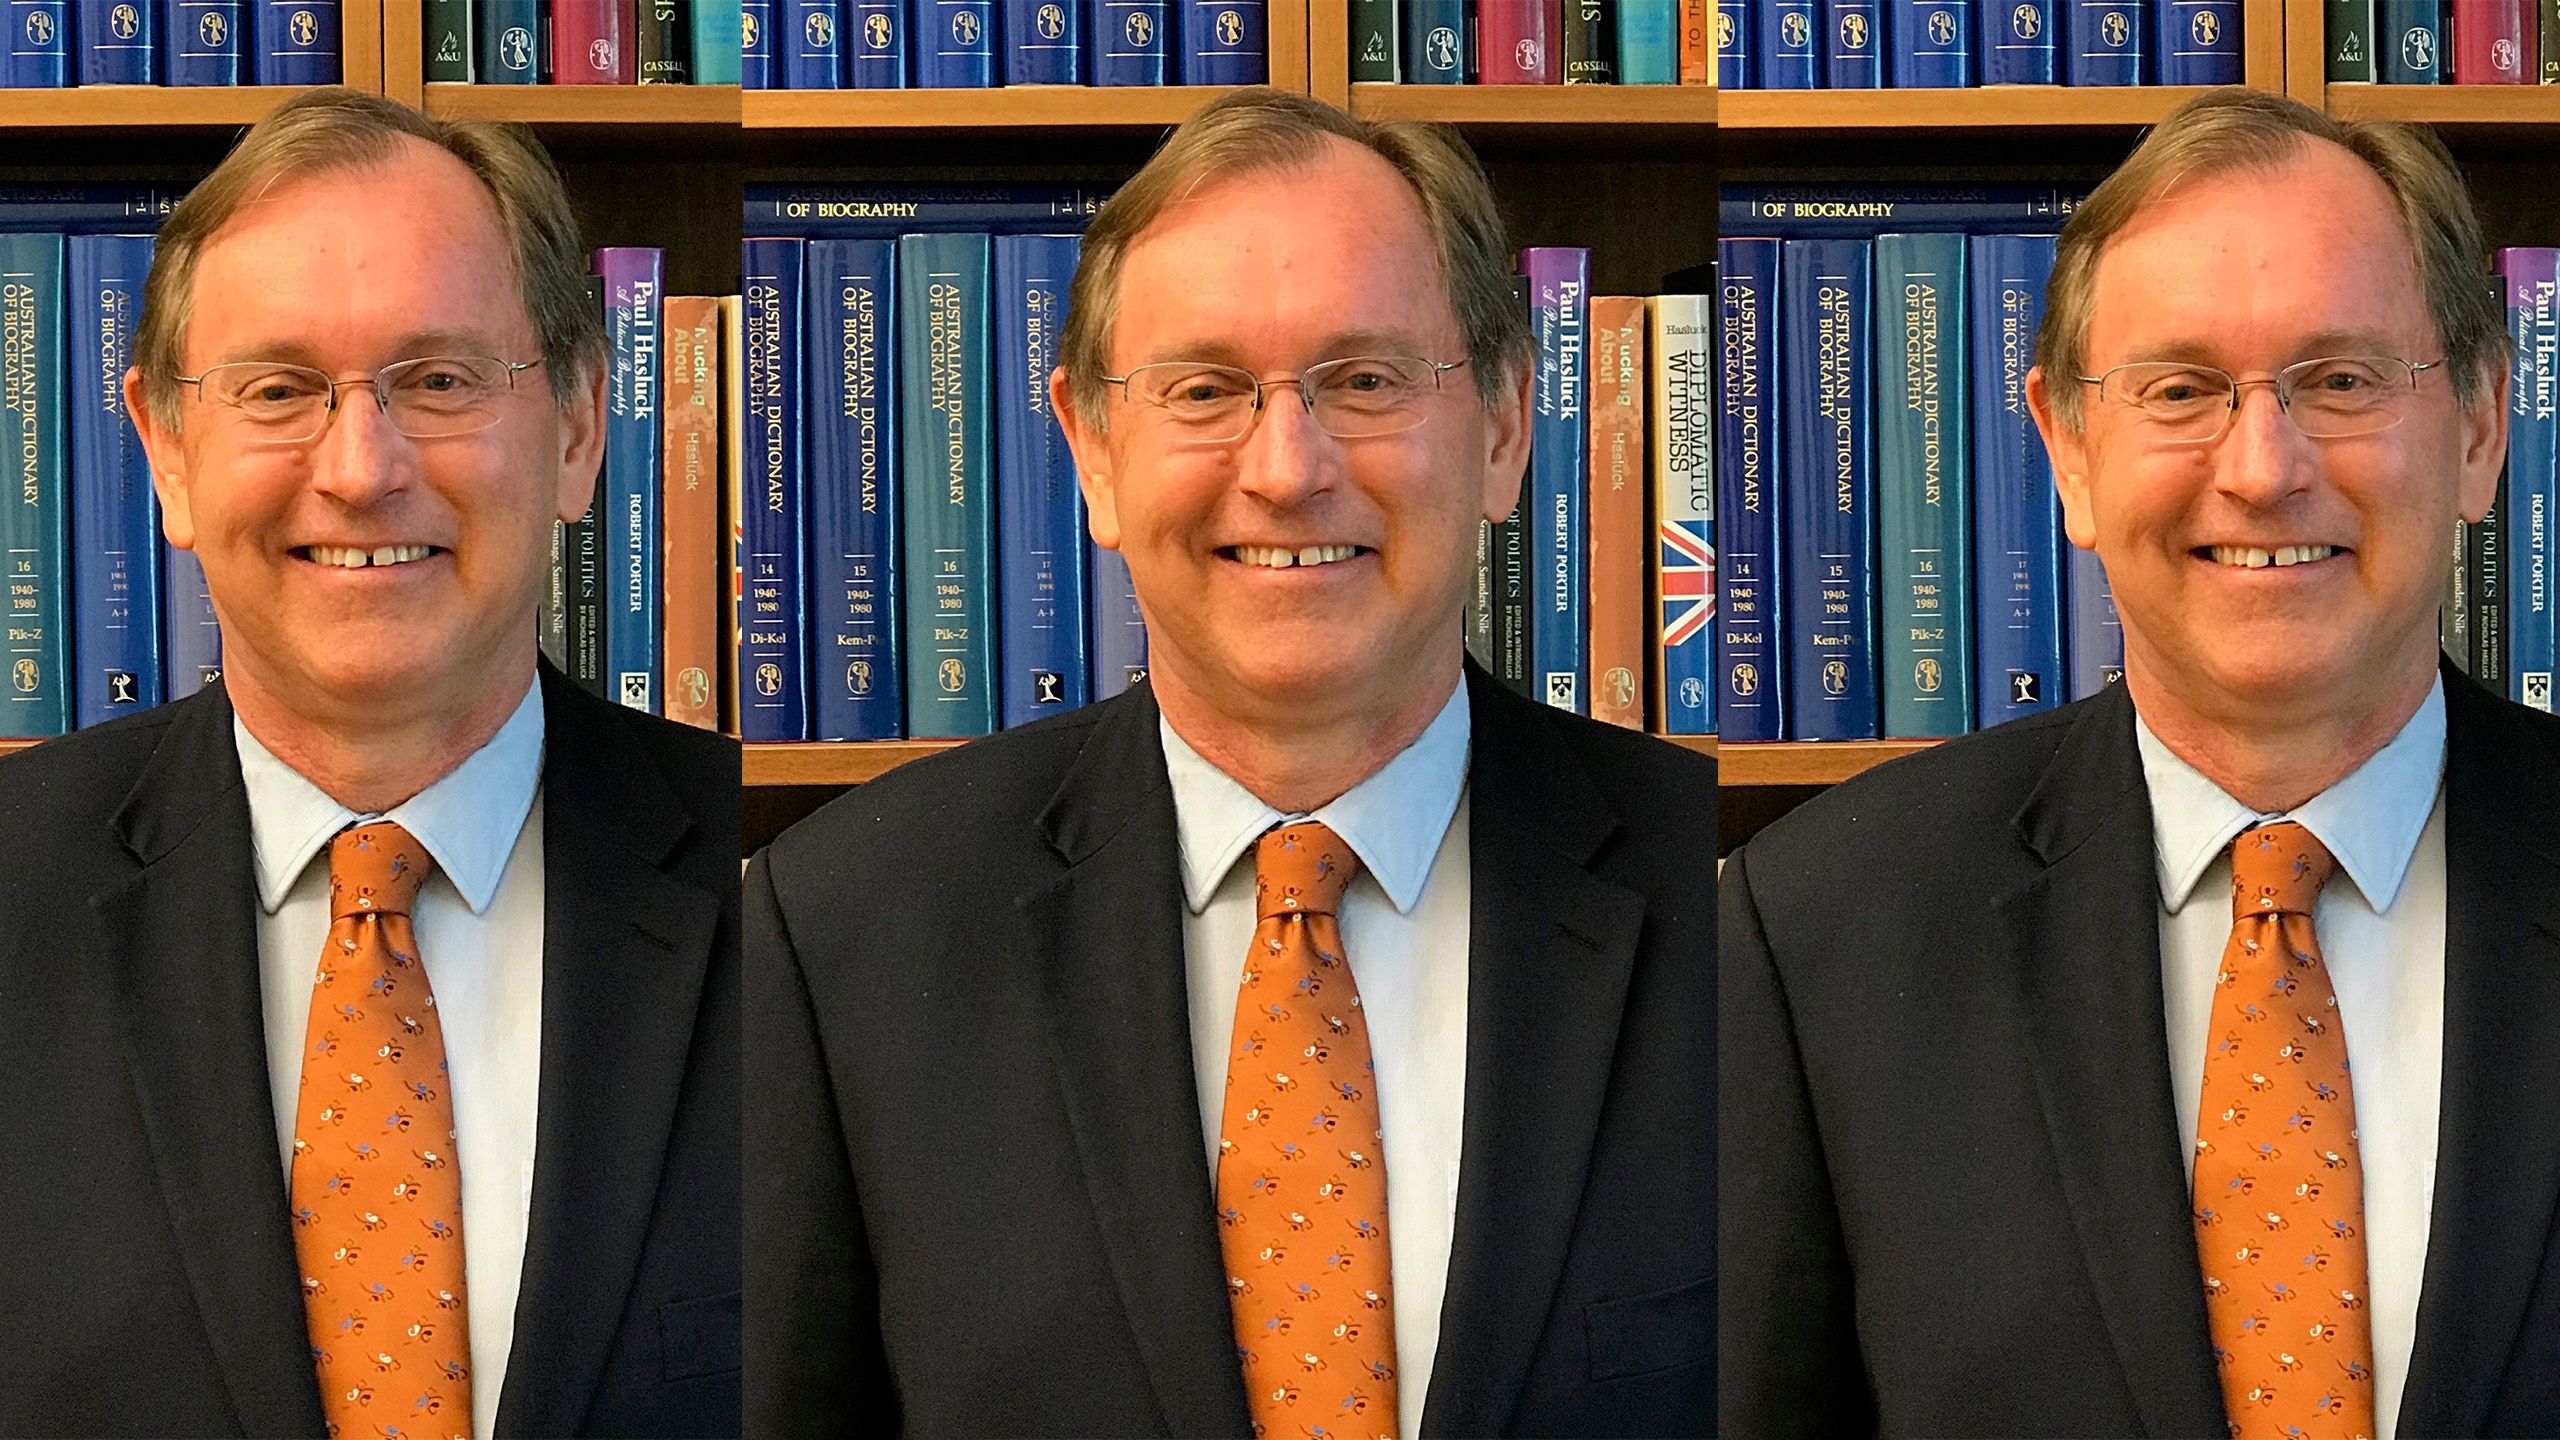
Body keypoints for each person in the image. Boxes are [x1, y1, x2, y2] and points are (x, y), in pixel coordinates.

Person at [745, 88, 1712, 1438]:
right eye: (1205, 391)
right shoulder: (841, 930)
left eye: (1365, 381)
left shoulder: (1732, 906)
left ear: (1501, 426)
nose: (1285, 468)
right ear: (1090, 446)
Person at [1721, 88, 2560, 1438]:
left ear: (2475, 424)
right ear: (2066, 449)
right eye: (2182, 391)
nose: (2262, 468)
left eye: (2340, 380)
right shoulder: (1815, 934)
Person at [0, 90, 739, 1437]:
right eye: (279, 390)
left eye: (440, 381)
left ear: (578, 426)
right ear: (165, 447)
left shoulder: (800, 907)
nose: (362, 467)